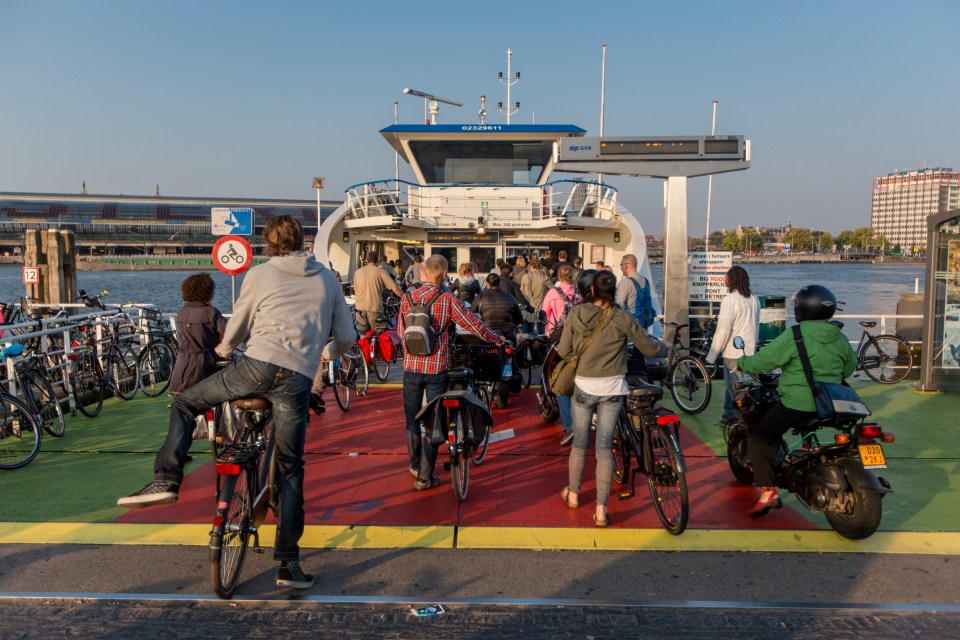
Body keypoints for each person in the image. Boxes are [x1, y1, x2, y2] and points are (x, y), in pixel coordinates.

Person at [118, 216, 356, 589]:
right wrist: (323, 355)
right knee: (291, 468)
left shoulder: (260, 275)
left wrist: (225, 350)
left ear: (268, 243)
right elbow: (346, 336)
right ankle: (288, 565)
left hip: (256, 367)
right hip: (296, 378)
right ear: (303, 241)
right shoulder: (326, 278)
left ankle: (166, 478)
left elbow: (238, 327)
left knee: (185, 404)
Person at [735, 285, 857, 517]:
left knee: (760, 438)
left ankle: (768, 492)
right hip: (831, 402)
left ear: (802, 309)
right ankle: (807, 453)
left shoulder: (795, 335)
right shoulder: (839, 336)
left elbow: (764, 361)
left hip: (798, 403)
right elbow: (849, 368)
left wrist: (742, 363)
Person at [558, 271, 668, 527]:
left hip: (584, 385)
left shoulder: (576, 313)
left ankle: (573, 494)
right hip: (612, 388)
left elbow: (564, 350)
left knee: (581, 444)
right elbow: (648, 347)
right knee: (605, 448)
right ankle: (601, 510)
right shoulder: (621, 316)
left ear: (592, 291)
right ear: (613, 292)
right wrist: (666, 347)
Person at [397, 254, 503, 489]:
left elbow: (400, 330)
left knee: (411, 419)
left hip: (411, 368)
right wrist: (496, 339)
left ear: (423, 271)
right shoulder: (446, 299)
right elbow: (472, 324)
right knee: (433, 421)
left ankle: (414, 464)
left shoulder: (407, 297)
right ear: (444, 274)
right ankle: (424, 476)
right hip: (437, 368)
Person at [705, 266, 760, 426]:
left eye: (726, 277)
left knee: (734, 386)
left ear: (732, 280)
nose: (724, 279)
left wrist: (712, 354)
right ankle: (728, 415)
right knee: (736, 384)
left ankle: (739, 417)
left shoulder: (730, 300)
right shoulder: (753, 299)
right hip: (748, 349)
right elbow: (755, 324)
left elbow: (723, 328)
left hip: (732, 351)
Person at [168, 273, 227, 397]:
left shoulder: (182, 312)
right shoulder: (211, 313)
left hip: (182, 368)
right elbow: (228, 334)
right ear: (208, 292)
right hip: (206, 365)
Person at [354, 251, 403, 334]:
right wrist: (405, 296)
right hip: (375, 308)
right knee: (378, 336)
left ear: (366, 260)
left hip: (360, 309)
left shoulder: (357, 272)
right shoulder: (381, 271)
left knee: (362, 336)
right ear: (378, 260)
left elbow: (356, 291)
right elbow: (395, 288)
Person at [473, 273, 522, 344]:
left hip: (487, 335)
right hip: (508, 335)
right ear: (499, 283)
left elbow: (471, 315)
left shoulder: (480, 297)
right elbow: (519, 318)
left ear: (487, 284)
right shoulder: (510, 297)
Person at [615, 254, 656, 331]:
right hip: (644, 324)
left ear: (626, 266)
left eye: (621, 265)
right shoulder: (645, 281)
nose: (620, 267)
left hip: (631, 326)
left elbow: (619, 305)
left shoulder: (625, 283)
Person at [542, 264, 581, 340]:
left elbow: (545, 313)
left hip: (554, 330)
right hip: (574, 331)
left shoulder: (552, 292)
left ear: (559, 276)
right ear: (572, 276)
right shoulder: (578, 293)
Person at [520, 256, 551, 334]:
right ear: (540, 267)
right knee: (539, 339)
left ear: (530, 266)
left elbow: (521, 293)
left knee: (524, 337)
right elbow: (553, 289)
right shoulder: (544, 277)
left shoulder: (525, 277)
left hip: (526, 311)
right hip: (540, 311)